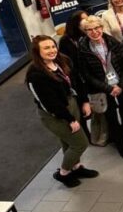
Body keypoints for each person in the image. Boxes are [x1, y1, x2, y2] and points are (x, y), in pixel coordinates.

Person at [27, 35, 97, 188]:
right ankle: (63, 173)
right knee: (80, 144)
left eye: (53, 46)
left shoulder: (62, 61)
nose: (52, 50)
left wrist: (84, 101)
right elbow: (48, 103)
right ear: (37, 52)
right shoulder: (35, 74)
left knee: (68, 142)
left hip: (71, 103)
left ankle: (76, 167)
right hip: (55, 115)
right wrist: (70, 119)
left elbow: (77, 81)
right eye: (46, 48)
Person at [78, 16, 123, 158]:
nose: (95, 32)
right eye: (90, 30)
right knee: (111, 118)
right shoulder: (83, 49)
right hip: (103, 90)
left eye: (97, 28)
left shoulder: (113, 42)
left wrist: (121, 85)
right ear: (85, 31)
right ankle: (120, 144)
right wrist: (108, 88)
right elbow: (86, 74)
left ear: (102, 27)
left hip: (120, 85)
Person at [59, 10, 92, 142]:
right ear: (76, 24)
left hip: (89, 77)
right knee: (81, 110)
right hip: (77, 81)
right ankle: (86, 137)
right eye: (84, 20)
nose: (87, 23)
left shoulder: (87, 36)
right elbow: (68, 66)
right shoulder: (65, 41)